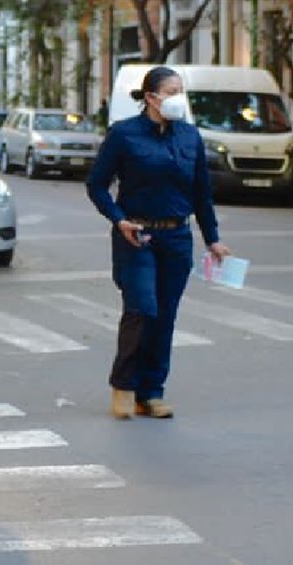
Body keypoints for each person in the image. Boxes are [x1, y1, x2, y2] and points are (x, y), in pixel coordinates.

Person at [86, 66, 230, 420]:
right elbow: (97, 185)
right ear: (151, 97)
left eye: (182, 90)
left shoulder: (189, 136)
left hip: (177, 237)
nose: (179, 98)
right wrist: (119, 219)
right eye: (172, 91)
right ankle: (124, 386)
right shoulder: (124, 134)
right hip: (136, 235)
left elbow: (202, 193)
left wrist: (213, 239)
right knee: (142, 308)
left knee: (165, 315)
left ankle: (151, 392)